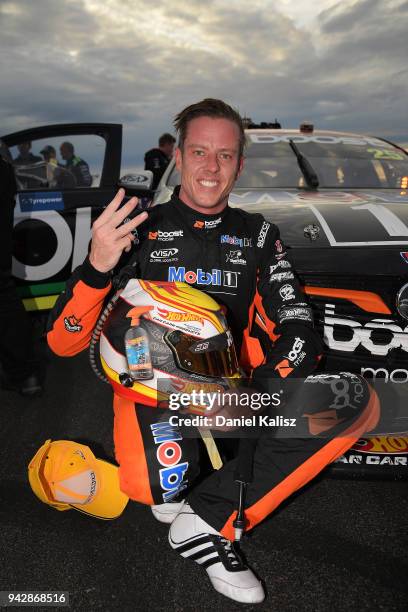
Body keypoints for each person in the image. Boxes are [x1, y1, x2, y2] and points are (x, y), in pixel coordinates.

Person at [46, 99, 379, 604]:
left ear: (240, 164)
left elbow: (298, 326)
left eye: (225, 155)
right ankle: (165, 486)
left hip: (235, 392)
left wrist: (264, 399)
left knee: (355, 403)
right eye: (199, 151)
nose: (211, 167)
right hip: (156, 393)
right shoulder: (134, 230)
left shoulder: (259, 233)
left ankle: (205, 523)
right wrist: (95, 267)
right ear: (178, 156)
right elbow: (63, 340)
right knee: (153, 494)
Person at [0, 143, 42, 396]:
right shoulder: (5, 168)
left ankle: (24, 374)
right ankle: (26, 376)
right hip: (3, 257)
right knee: (8, 307)